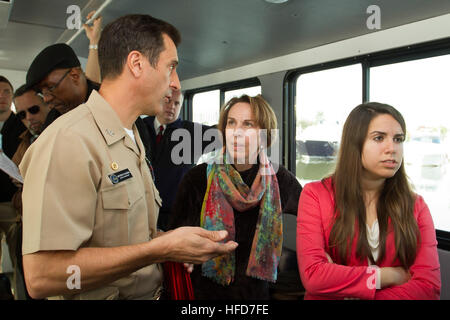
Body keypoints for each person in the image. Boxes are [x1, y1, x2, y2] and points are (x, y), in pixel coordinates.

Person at [19, 14, 237, 300]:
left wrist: (172, 241)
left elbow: (125, 236)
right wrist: (160, 250)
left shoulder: (132, 136)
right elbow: (42, 276)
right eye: (171, 67)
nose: (175, 83)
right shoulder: (69, 141)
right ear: (136, 64)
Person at [296, 102, 441, 300]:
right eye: (379, 138)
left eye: (398, 139)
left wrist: (341, 281)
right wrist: (388, 275)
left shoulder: (417, 206)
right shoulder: (315, 195)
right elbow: (314, 277)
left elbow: (428, 288)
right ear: (354, 144)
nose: (392, 148)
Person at [169, 94, 302, 299]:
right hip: (204, 294)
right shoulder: (197, 178)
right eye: (231, 123)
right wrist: (182, 253)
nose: (237, 132)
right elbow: (174, 236)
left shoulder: (280, 179)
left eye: (248, 124)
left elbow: (314, 218)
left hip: (256, 297)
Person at [143, 90, 215, 230]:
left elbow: (222, 134)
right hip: (143, 214)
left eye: (177, 103)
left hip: (178, 215)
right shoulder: (140, 127)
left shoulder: (191, 133)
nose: (172, 106)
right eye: (168, 101)